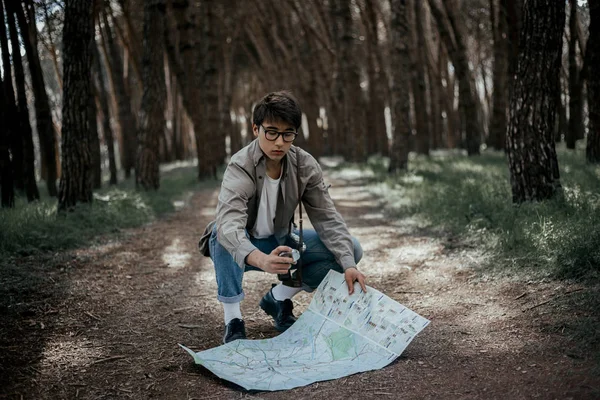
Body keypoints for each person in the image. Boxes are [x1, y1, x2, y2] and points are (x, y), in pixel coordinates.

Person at [198, 90, 367, 344]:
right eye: (272, 132)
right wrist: (261, 260)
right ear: (256, 129)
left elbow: (327, 218)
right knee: (221, 234)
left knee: (350, 249)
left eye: (288, 134)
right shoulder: (240, 165)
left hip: (280, 241)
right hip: (243, 244)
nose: (279, 142)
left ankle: (278, 299)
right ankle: (233, 320)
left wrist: (349, 265)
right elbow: (230, 225)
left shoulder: (304, 165)